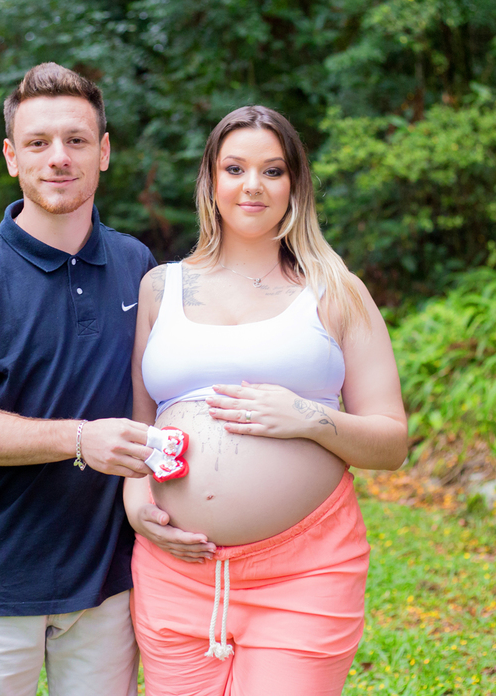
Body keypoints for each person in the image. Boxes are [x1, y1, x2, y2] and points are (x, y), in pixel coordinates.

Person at [123, 105, 409, 696]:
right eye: (235, 168)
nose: (252, 185)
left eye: (273, 170)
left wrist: (309, 418)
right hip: (177, 571)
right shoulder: (160, 288)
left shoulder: (336, 291)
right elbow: (140, 424)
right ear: (211, 182)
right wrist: (134, 501)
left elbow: (391, 441)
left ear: (295, 186)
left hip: (305, 571)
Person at [0, 63, 157, 696]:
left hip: (109, 578)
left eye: (76, 140)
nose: (59, 158)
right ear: (11, 157)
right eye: (38, 143)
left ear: (103, 152)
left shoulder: (138, 265)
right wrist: (80, 439)